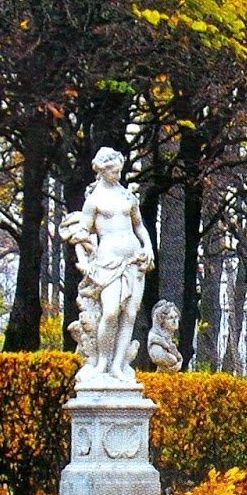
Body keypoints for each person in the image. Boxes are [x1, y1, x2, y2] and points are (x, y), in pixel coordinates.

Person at [61, 148, 155, 383]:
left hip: (134, 260)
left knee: (130, 314)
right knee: (111, 312)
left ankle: (118, 366)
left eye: (119, 169)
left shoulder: (127, 197)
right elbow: (81, 232)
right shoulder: (93, 201)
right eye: (113, 170)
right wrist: (84, 259)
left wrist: (149, 246)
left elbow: (139, 226)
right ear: (102, 170)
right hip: (108, 261)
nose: (117, 174)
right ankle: (102, 363)